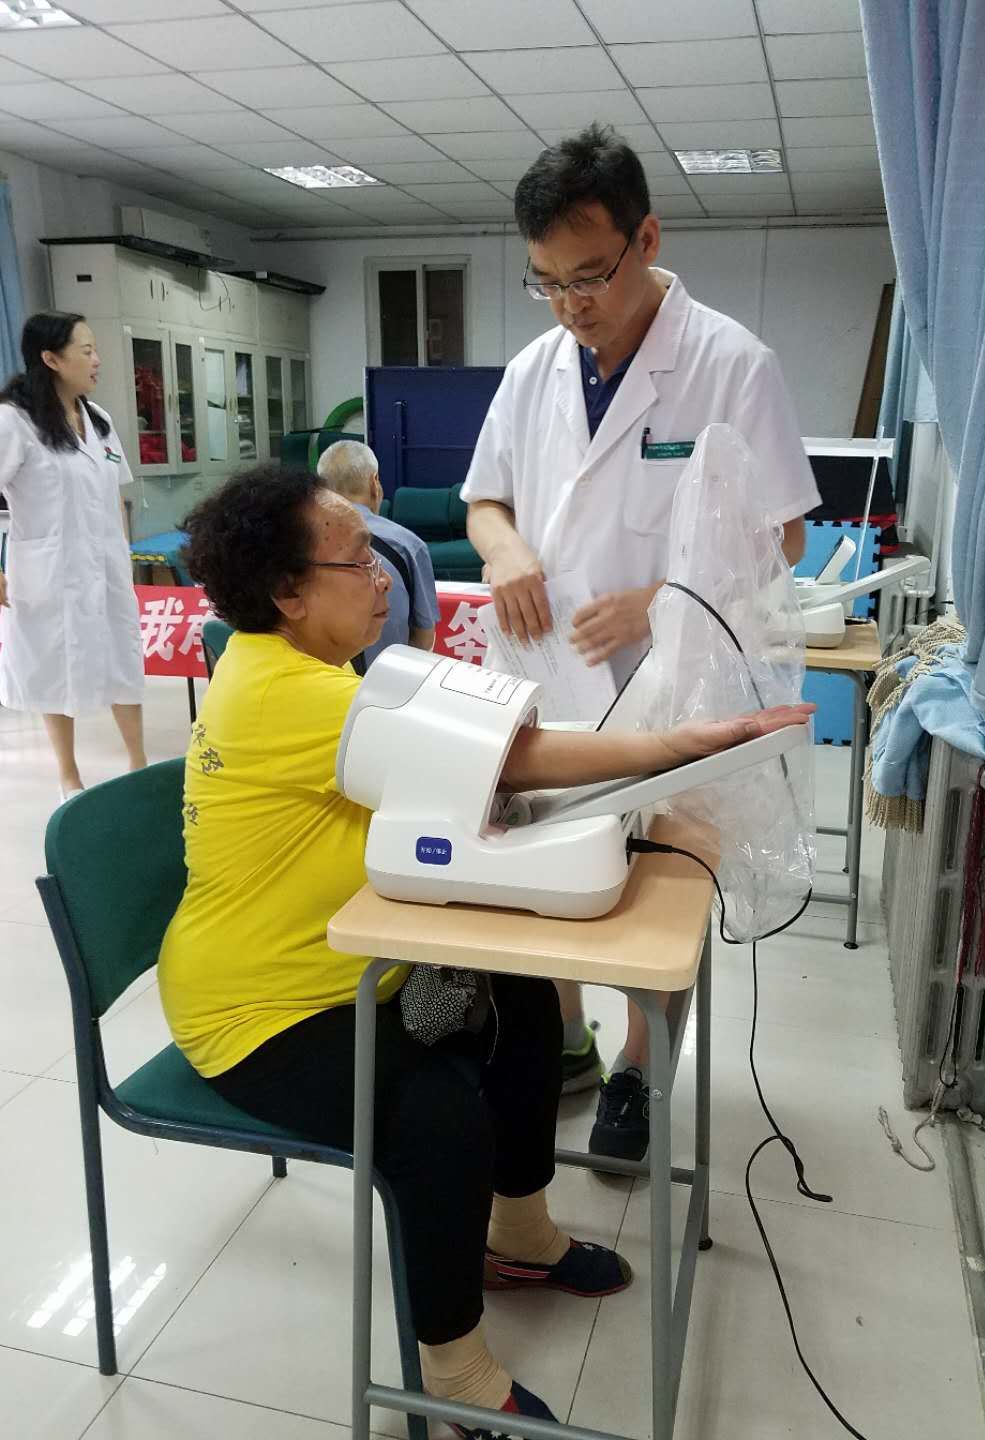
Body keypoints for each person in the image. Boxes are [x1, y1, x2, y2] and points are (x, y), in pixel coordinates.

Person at [158, 464, 811, 1439]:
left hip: (344, 974)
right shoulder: (284, 693)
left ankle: (519, 1236)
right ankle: (454, 1376)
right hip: (257, 1016)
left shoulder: (317, 672)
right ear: (288, 592)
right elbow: (511, 759)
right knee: (435, 1118)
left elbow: (474, 758)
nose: (384, 578)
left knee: (520, 996)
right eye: (358, 562)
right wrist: (677, 745)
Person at [461, 124, 823, 1160]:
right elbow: (485, 499)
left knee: (656, 883)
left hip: (677, 675)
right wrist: (503, 551)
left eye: (588, 276)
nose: (569, 305)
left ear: (646, 238)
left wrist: (661, 601)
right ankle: (564, 1039)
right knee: (540, 862)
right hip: (544, 669)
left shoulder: (730, 363)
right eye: (546, 283)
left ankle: (638, 1068)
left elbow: (784, 533)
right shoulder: (535, 369)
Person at [0, 311, 145, 797]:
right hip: (49, 571)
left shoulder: (98, 420)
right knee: (53, 664)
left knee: (122, 656)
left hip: (105, 566)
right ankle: (68, 775)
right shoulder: (14, 421)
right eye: (86, 351)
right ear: (51, 359)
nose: (97, 360)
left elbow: (114, 495)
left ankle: (138, 762)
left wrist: (123, 556)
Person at [316, 438, 439, 667]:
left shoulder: (303, 545)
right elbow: (424, 637)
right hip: (387, 682)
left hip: (319, 681)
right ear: (375, 483)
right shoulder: (407, 545)